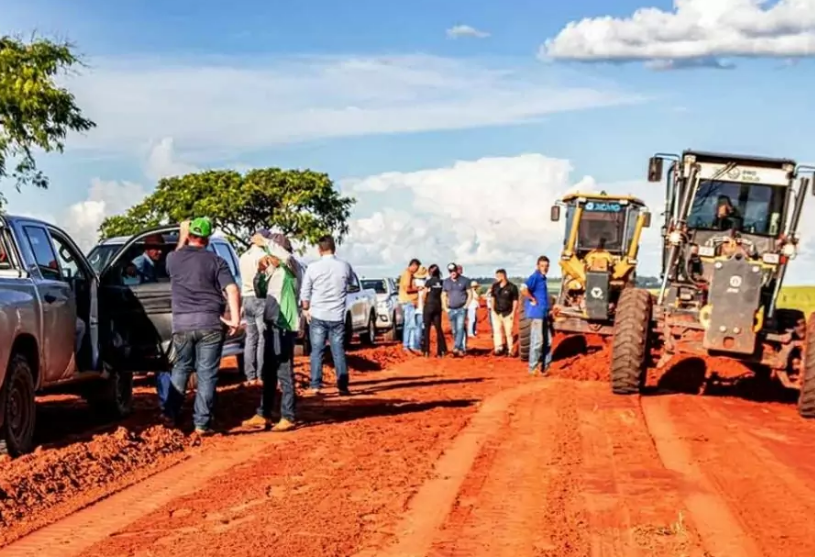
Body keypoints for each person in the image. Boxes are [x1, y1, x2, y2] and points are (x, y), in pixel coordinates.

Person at [163, 217, 241, 436]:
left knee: (181, 368)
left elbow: (178, 253)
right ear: (207, 239)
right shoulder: (217, 261)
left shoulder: (173, 259)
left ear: (190, 236)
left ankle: (170, 415)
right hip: (210, 324)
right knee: (207, 374)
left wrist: (181, 235)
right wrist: (234, 319)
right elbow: (232, 290)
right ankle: (201, 424)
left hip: (183, 324)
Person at [242, 233, 302, 432]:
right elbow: (259, 292)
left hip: (284, 326)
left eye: (272, 252)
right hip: (271, 324)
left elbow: (285, 257)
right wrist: (260, 271)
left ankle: (288, 415)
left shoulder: (292, 268)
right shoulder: (274, 272)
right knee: (269, 372)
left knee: (284, 371)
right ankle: (264, 413)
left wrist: (266, 242)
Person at [301, 235, 354, 396]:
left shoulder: (312, 267)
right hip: (337, 315)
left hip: (317, 314)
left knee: (317, 351)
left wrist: (306, 309)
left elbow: (305, 292)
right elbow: (351, 283)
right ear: (334, 248)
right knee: (338, 351)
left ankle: (316, 385)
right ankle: (342, 386)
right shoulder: (345, 266)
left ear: (319, 250)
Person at [239, 229, 272, 385]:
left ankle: (250, 375)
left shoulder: (243, 257)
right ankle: (261, 375)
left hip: (246, 297)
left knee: (250, 338)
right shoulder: (263, 257)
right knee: (262, 338)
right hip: (260, 298)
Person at [521, 256, 551, 376]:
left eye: (546, 266)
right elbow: (523, 288)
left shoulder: (543, 278)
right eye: (542, 266)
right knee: (537, 341)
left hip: (544, 314)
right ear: (537, 266)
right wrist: (532, 298)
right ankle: (532, 368)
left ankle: (546, 367)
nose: (544, 268)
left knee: (548, 342)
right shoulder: (535, 277)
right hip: (537, 314)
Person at [442, 263, 471, 357]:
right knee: (454, 330)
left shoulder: (465, 280)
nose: (452, 273)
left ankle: (457, 347)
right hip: (451, 309)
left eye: (454, 271)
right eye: (450, 271)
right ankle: (460, 349)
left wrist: (466, 306)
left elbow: (470, 294)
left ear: (457, 270)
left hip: (461, 309)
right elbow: (443, 295)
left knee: (460, 328)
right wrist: (445, 307)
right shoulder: (446, 282)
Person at [490, 269, 519, 356]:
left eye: (498, 276)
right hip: (496, 312)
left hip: (508, 313)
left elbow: (515, 300)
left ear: (503, 276)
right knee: (497, 331)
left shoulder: (512, 287)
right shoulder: (495, 286)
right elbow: (492, 298)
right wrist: (492, 309)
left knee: (509, 332)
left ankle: (510, 350)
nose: (496, 278)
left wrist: (513, 312)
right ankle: (498, 348)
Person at [421, 264, 447, 358]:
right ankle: (442, 351)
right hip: (437, 306)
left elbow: (424, 294)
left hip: (429, 305)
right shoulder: (441, 282)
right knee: (438, 328)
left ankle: (426, 351)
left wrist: (424, 303)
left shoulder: (428, 282)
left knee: (427, 329)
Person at [398, 259, 422, 353]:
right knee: (409, 325)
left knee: (411, 324)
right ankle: (406, 346)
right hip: (408, 302)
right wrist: (418, 289)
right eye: (417, 267)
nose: (417, 270)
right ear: (414, 265)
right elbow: (407, 289)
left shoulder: (409, 274)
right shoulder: (407, 274)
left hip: (409, 302)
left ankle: (411, 346)